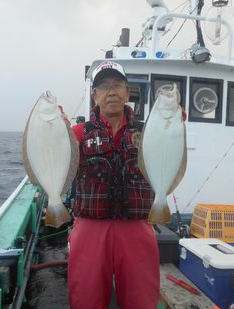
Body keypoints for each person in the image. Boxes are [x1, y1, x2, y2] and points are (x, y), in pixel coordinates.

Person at [68, 61, 161, 309]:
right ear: (95, 95)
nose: (111, 91)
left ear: (127, 93)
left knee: (141, 299)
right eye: (104, 86)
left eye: (118, 85)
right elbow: (57, 154)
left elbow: (170, 145)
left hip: (137, 227)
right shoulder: (78, 132)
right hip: (90, 228)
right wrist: (53, 128)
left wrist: (173, 122)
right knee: (85, 298)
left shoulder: (150, 132)